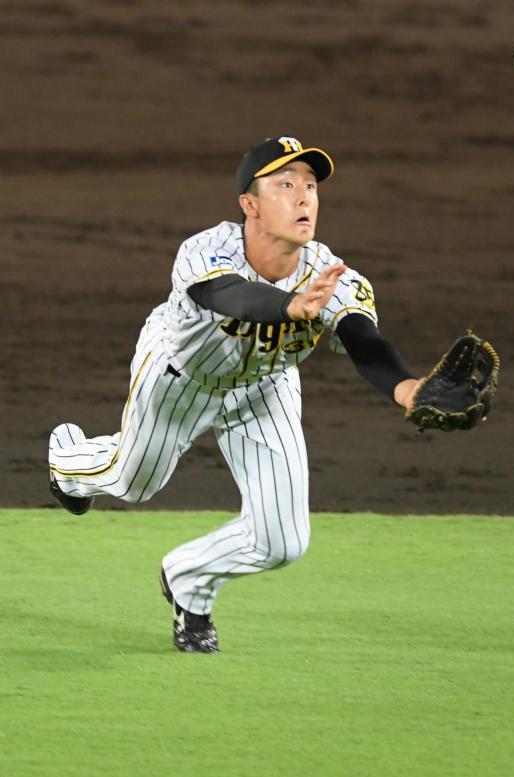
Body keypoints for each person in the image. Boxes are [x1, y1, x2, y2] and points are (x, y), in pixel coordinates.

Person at [49, 135, 426, 653]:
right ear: (250, 204)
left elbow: (365, 341)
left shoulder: (331, 276)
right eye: (285, 185)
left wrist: (407, 389)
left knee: (283, 541)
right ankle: (67, 460)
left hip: (264, 390)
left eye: (311, 186)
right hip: (180, 378)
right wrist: (291, 307)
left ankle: (188, 580)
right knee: (132, 482)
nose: (304, 197)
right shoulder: (205, 250)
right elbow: (228, 294)